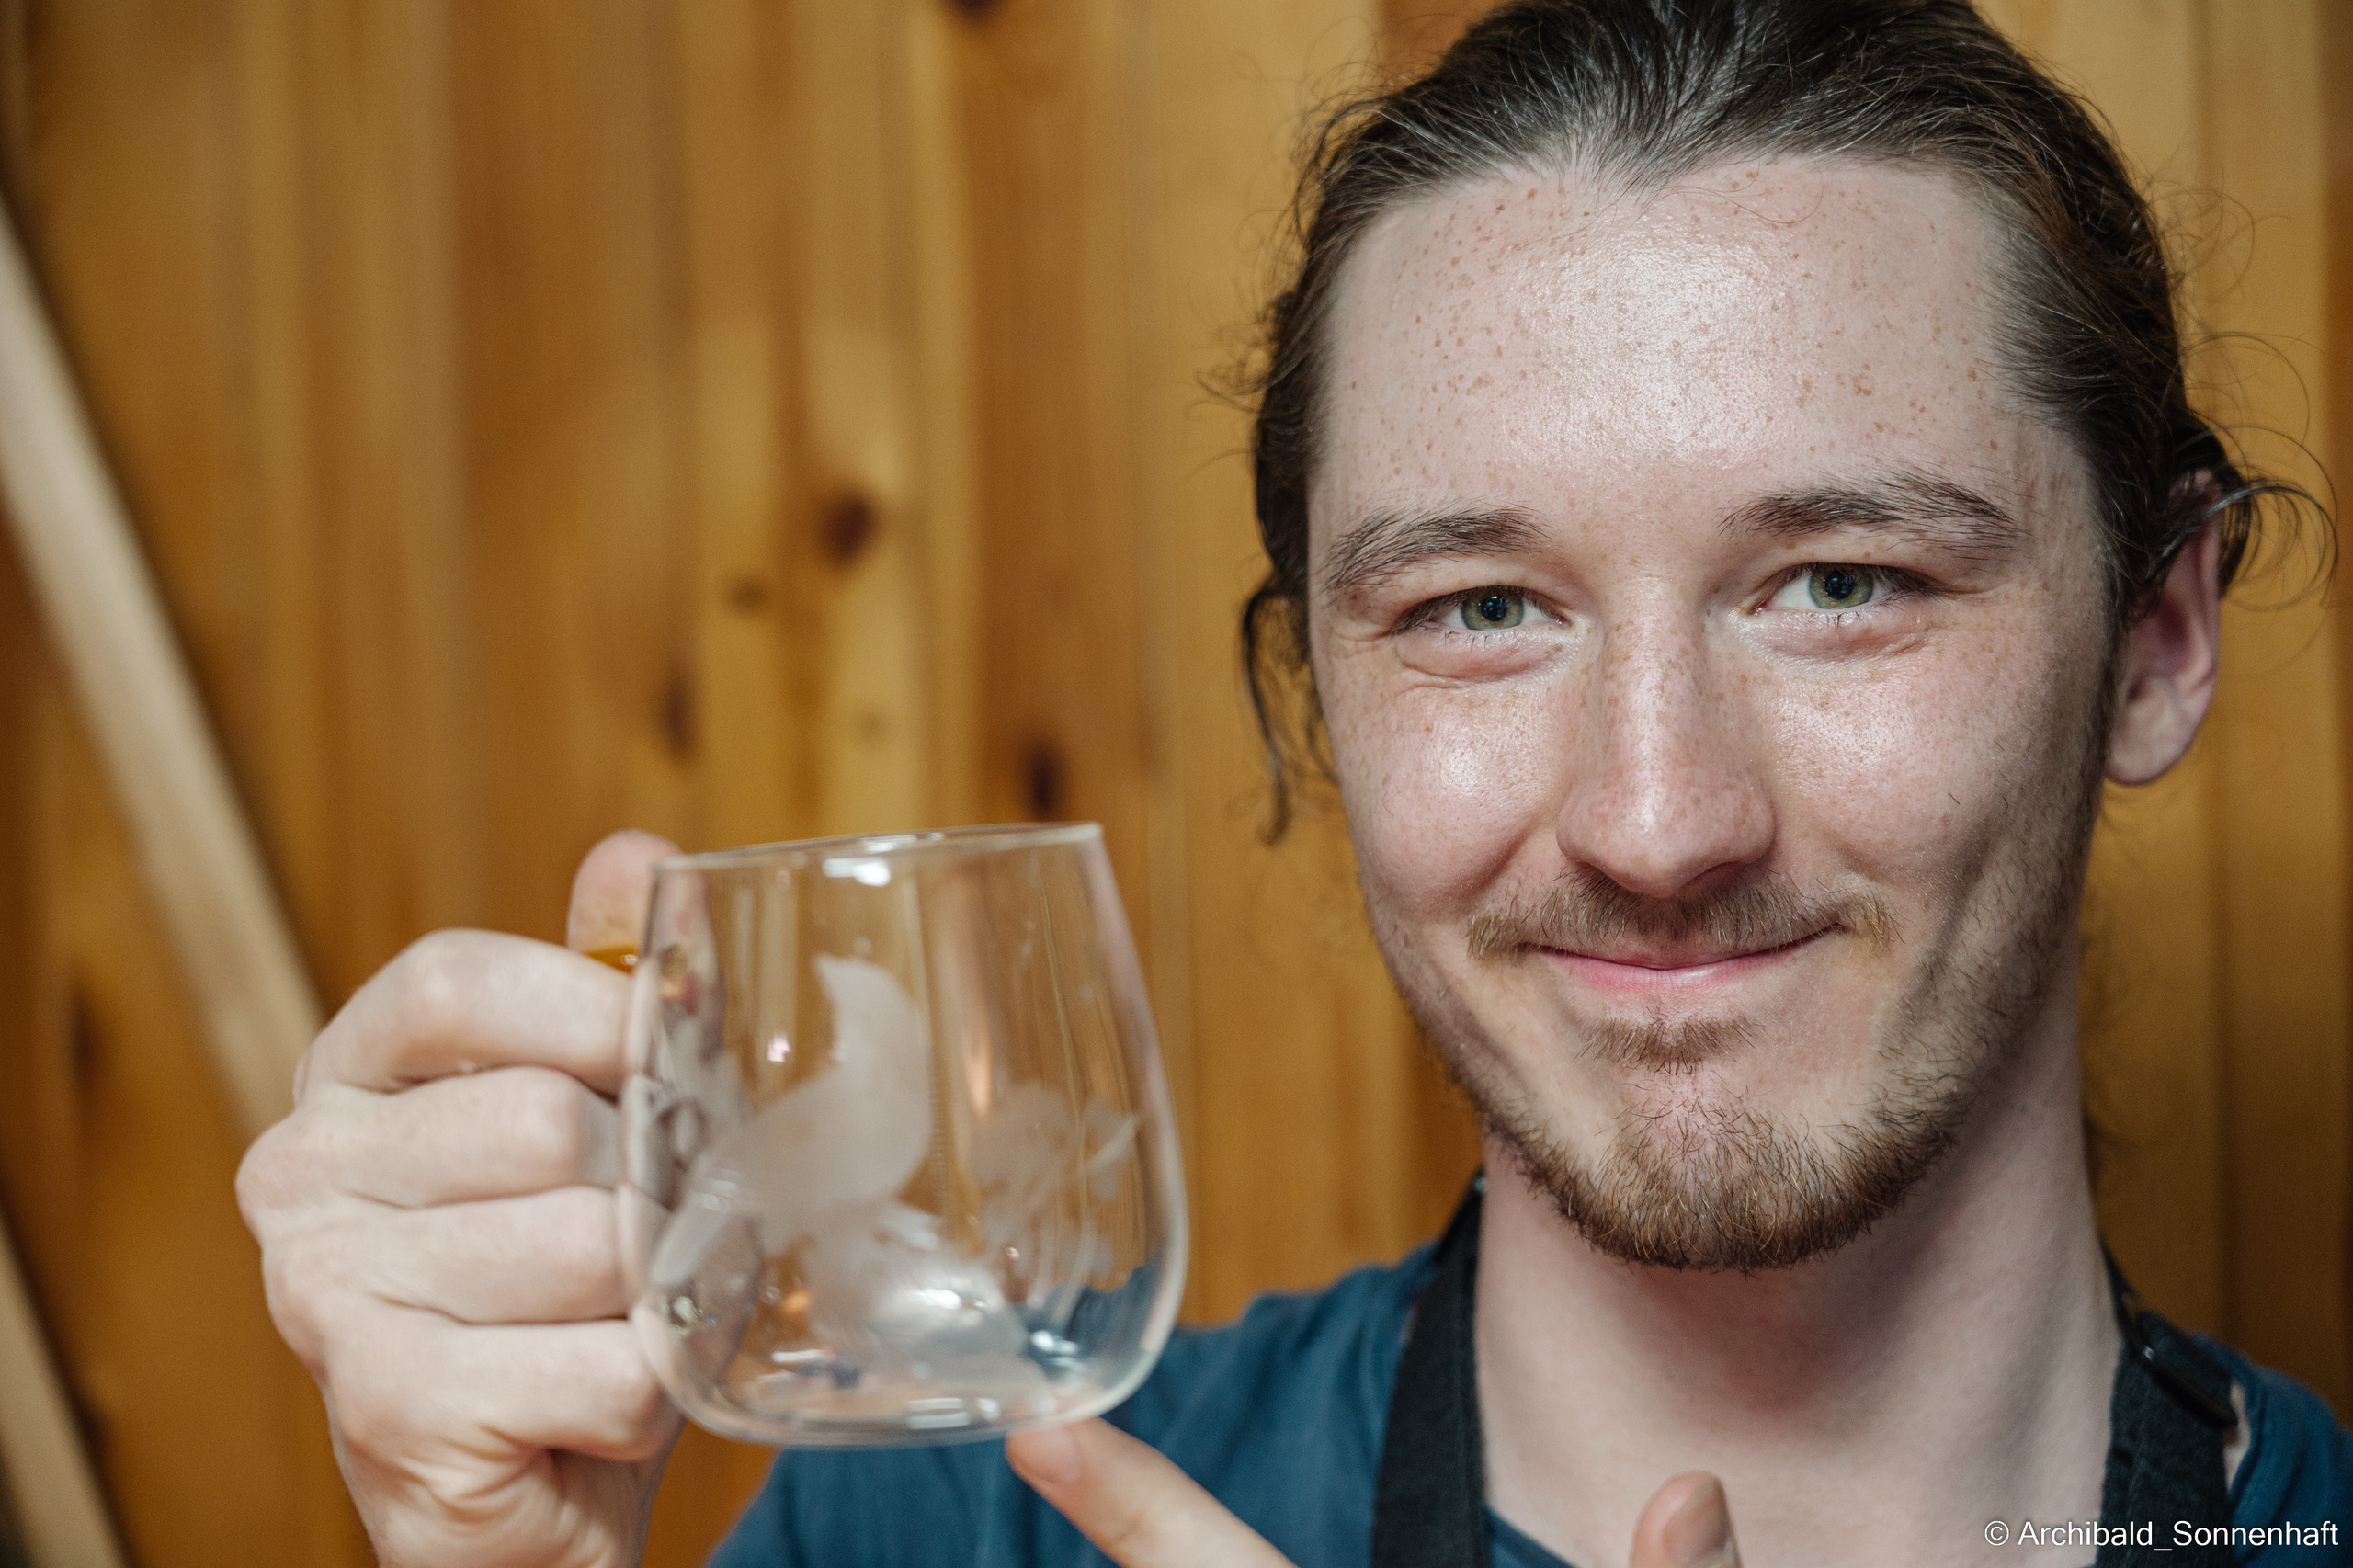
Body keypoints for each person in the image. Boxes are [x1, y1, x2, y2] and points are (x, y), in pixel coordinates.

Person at [235, 2, 2351, 1564]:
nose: (1651, 815)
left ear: (2156, 633)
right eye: (1477, 610)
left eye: (1834, 580)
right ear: (1315, 695)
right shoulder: (957, 1539)